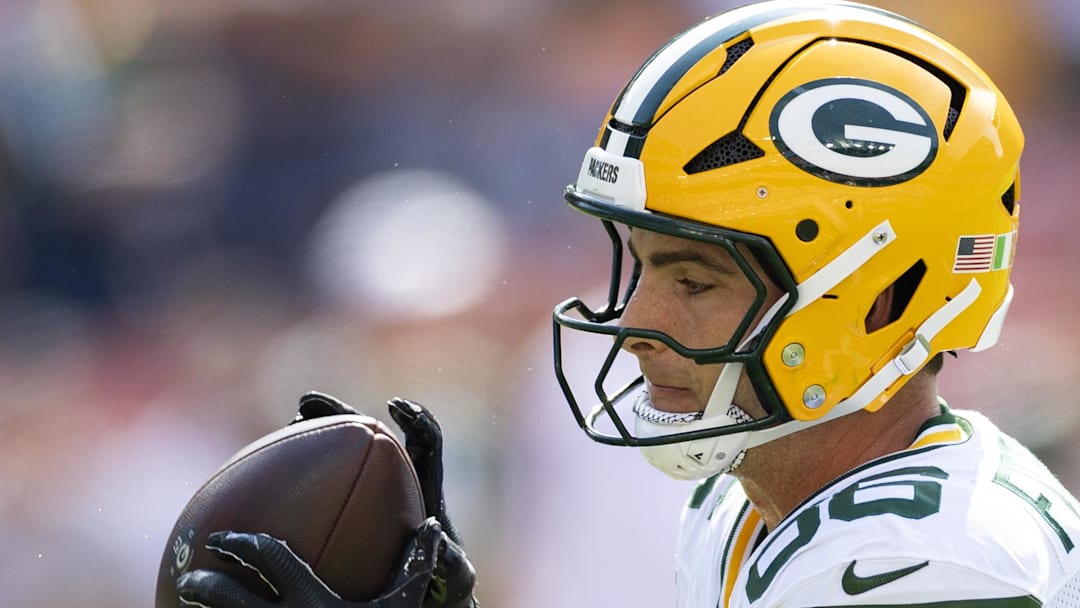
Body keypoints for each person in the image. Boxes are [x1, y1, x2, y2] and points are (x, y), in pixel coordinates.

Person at [175, 1, 1080, 607]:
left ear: (882, 297)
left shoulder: (918, 568)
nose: (636, 324)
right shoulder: (756, 498)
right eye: (637, 264)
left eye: (694, 279)